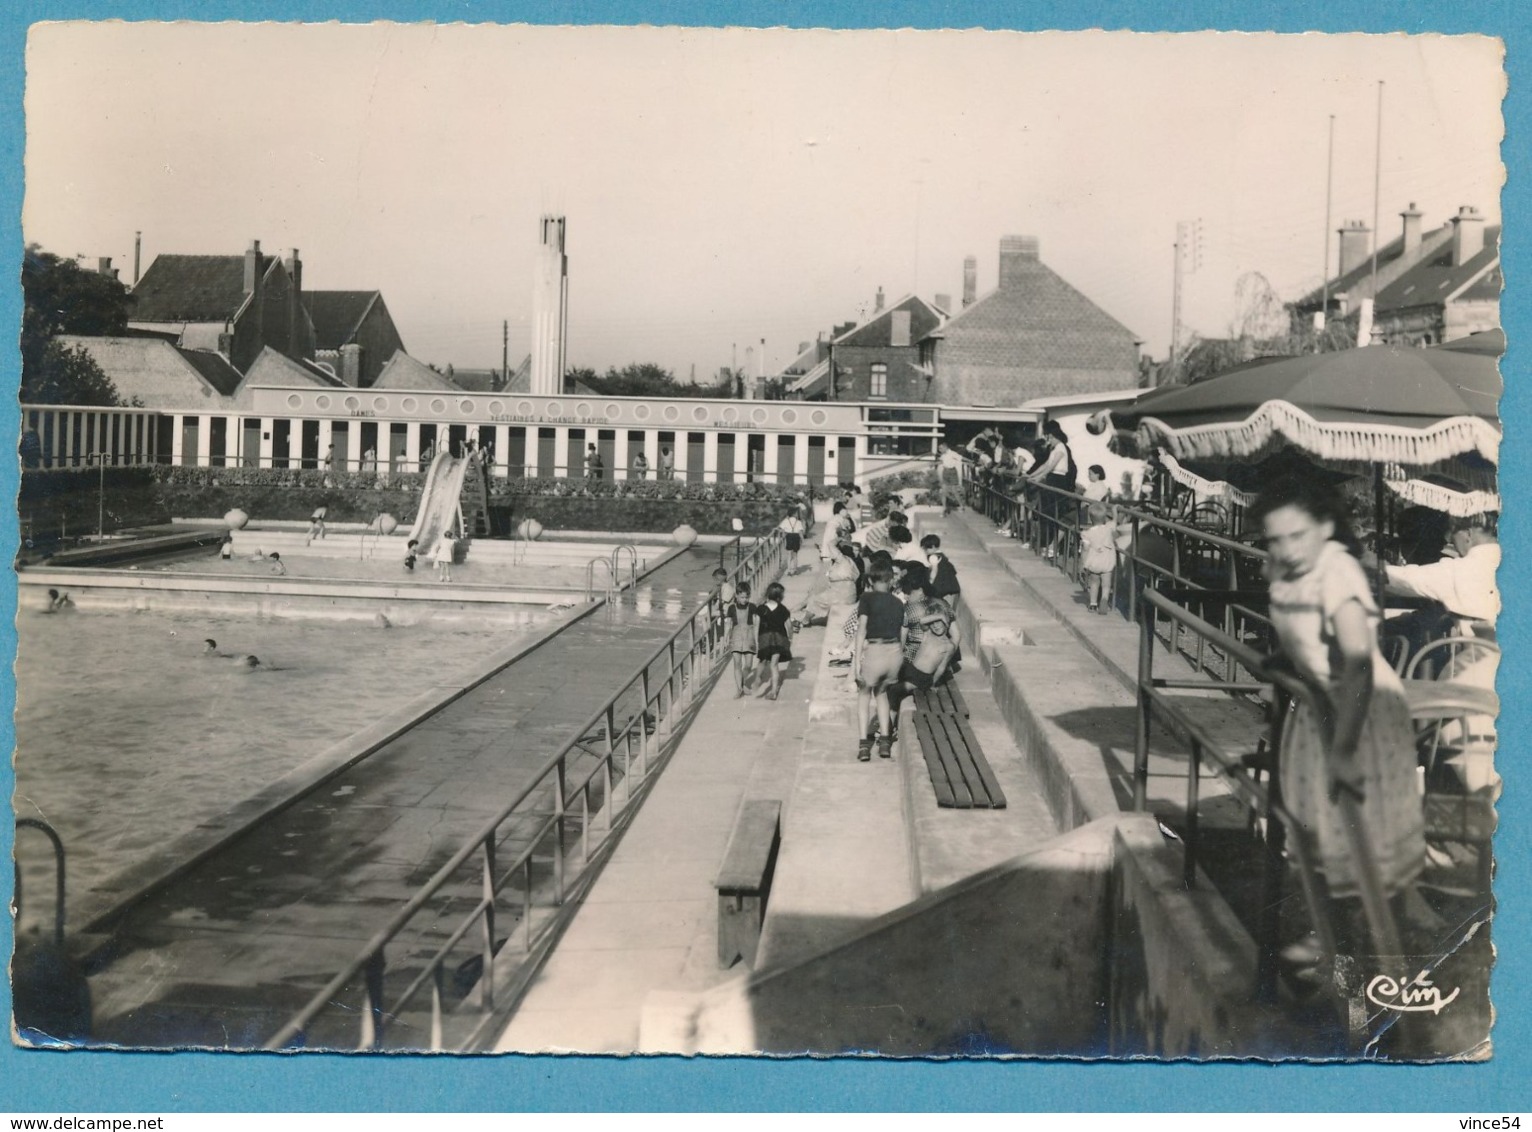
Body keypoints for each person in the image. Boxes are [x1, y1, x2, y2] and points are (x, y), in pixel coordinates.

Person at [1253, 475, 1424, 975]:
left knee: (1364, 841)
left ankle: (1379, 974)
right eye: (1275, 539)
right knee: (1323, 838)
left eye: (1297, 535)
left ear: (1325, 526)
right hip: (1317, 711)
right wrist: (1283, 661)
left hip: (1359, 715)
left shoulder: (1339, 571)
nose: (1287, 548)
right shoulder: (1285, 567)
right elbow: (1302, 630)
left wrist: (1344, 750)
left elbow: (1358, 664)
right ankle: (1337, 952)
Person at [853, 562, 906, 762]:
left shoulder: (866, 598)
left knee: (864, 695)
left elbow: (862, 630)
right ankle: (884, 742)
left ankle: (863, 746)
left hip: (875, 651)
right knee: (882, 693)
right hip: (894, 654)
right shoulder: (898, 603)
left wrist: (856, 662)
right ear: (890, 580)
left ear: (870, 580)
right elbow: (902, 634)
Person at [1026, 421, 1076, 560]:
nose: (1048, 441)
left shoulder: (1061, 448)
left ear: (1055, 437)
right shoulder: (1054, 449)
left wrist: (1039, 477)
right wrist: (1031, 475)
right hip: (1052, 479)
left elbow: (1051, 467)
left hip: (1058, 481)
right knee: (1046, 512)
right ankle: (1045, 544)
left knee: (1053, 512)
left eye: (1050, 438)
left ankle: (1053, 547)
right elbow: (1046, 464)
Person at [793, 539, 860, 629]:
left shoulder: (841, 559)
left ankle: (805, 620)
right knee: (822, 596)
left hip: (839, 593)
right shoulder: (851, 562)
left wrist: (838, 538)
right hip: (850, 593)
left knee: (814, 600)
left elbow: (830, 544)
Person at [753, 581, 793, 701]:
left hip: (765, 639)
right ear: (779, 597)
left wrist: (756, 642)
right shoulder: (783, 609)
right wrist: (790, 638)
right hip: (779, 639)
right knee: (774, 665)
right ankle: (774, 691)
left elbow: (756, 626)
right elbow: (789, 626)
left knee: (762, 661)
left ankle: (758, 678)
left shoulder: (761, 609)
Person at [1079, 503, 1118, 614]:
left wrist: (1082, 563)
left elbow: (1085, 549)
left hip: (1094, 562)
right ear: (1105, 517)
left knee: (1094, 582)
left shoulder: (1087, 534)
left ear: (1091, 519)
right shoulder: (1108, 528)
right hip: (1107, 561)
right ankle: (1104, 598)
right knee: (1106, 584)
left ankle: (1093, 604)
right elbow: (1114, 522)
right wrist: (1114, 511)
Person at [725, 580, 758, 697]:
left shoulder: (753, 607)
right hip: (736, 637)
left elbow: (756, 624)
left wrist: (757, 639)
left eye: (747, 597)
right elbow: (728, 624)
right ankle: (739, 688)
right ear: (737, 596)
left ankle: (743, 682)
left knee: (748, 664)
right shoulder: (731, 608)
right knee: (737, 664)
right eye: (742, 597)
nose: (745, 600)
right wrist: (725, 638)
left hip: (749, 637)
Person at [922, 533, 961, 612]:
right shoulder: (942, 556)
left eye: (926, 549)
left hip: (941, 586)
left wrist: (930, 582)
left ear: (932, 547)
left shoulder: (933, 557)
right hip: (951, 586)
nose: (925, 551)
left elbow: (934, 571)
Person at [778, 507, 807, 574]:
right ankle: (795, 569)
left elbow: (781, 529)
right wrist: (802, 539)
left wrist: (782, 533)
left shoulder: (786, 521)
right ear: (794, 514)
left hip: (789, 536)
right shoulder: (798, 522)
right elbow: (800, 532)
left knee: (789, 554)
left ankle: (788, 570)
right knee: (795, 555)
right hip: (796, 537)